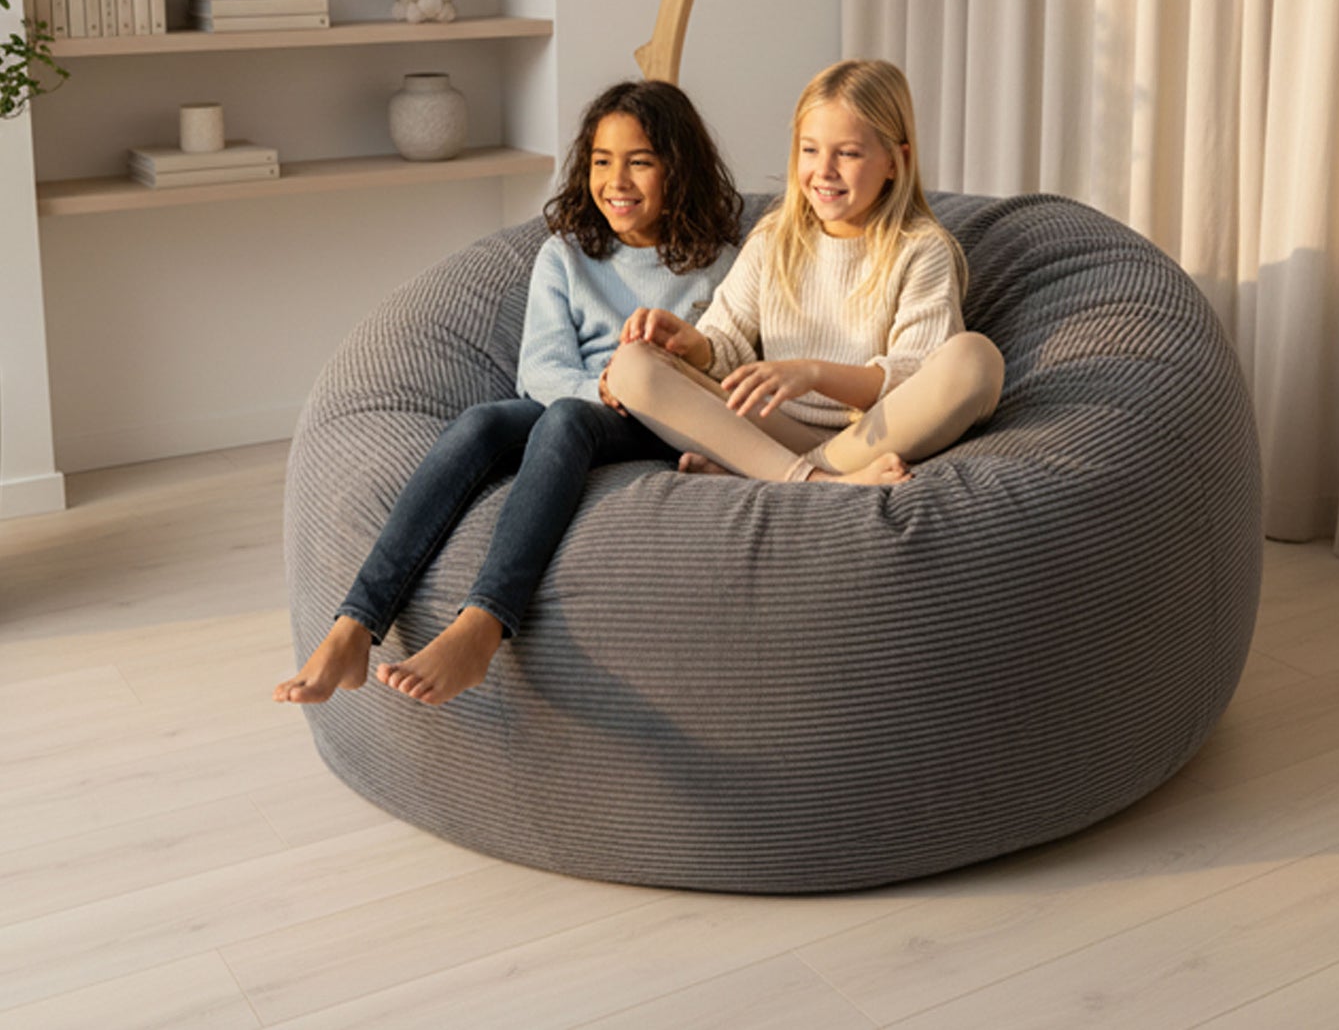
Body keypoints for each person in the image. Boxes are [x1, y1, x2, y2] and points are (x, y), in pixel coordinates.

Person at [273, 79, 741, 707]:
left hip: (656, 420)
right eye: (602, 162)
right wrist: (601, 386)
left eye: (640, 162)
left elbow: (730, 366)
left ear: (677, 168)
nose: (617, 181)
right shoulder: (567, 255)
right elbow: (541, 372)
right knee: (482, 423)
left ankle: (481, 625)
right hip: (583, 400)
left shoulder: (721, 263)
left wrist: (645, 387)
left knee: (566, 422)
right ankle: (355, 623)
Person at [608, 59, 1005, 485]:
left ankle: (778, 475)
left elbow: (911, 378)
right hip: (769, 432)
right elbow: (727, 354)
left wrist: (811, 373)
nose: (824, 170)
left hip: (871, 434)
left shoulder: (921, 249)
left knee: (976, 359)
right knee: (630, 365)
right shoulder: (774, 238)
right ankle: (815, 481)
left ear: (895, 160)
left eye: (848, 153)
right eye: (810, 150)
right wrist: (693, 345)